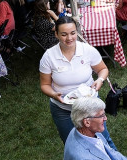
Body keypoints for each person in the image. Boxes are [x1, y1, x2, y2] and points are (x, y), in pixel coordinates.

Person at [38, 17, 112, 145]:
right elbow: (44, 85)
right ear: (56, 34)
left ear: (77, 32)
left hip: (90, 106)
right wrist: (53, 94)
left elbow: (103, 69)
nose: (69, 38)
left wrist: (100, 80)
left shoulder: (87, 50)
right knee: (72, 144)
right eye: (64, 34)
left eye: (73, 33)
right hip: (63, 109)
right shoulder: (49, 56)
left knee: (102, 139)